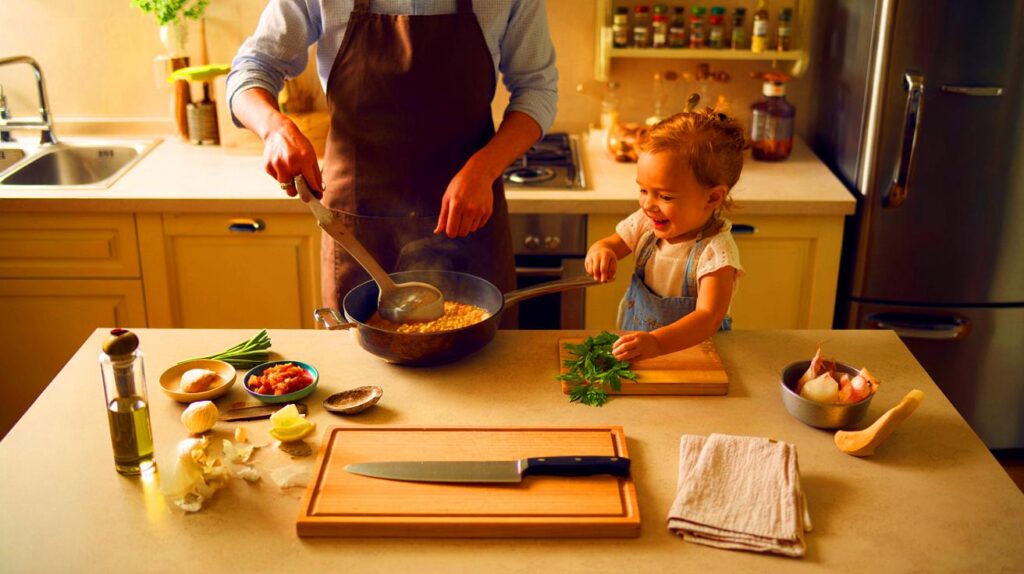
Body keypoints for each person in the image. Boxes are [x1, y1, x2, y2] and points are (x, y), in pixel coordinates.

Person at [227, 0, 558, 313]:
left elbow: (537, 89)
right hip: (358, 227)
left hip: (469, 217)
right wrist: (275, 130)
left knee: (485, 352)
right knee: (355, 353)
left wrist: (484, 169)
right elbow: (253, 68)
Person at [585, 109, 745, 361]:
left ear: (713, 197)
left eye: (665, 196)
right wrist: (600, 252)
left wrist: (658, 343)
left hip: (696, 359)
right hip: (639, 351)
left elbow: (708, 317)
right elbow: (610, 245)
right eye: (643, 190)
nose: (648, 204)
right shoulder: (646, 223)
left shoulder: (716, 253)